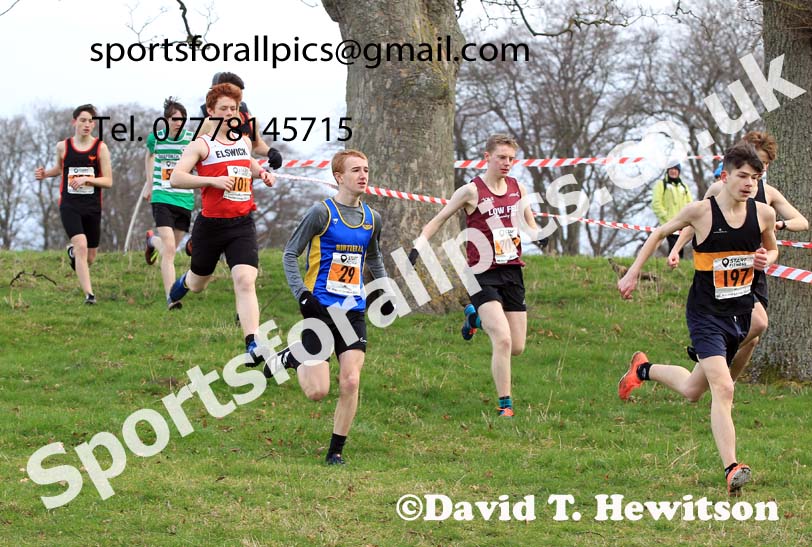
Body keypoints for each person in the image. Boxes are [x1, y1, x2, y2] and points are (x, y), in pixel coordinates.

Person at [618, 142, 778, 496]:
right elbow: (659, 233)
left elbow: (772, 246)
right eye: (742, 176)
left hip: (740, 311)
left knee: (692, 390)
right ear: (725, 176)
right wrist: (631, 274)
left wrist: (766, 257)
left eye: (755, 178)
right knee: (723, 388)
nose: (749, 183)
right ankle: (732, 468)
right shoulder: (701, 212)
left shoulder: (763, 214)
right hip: (706, 315)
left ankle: (642, 369)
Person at [264, 149, 389, 466]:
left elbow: (373, 258)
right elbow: (290, 253)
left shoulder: (372, 218)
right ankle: (292, 355)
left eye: (366, 169)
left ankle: (335, 451)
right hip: (319, 308)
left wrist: (384, 290)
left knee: (350, 381)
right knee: (317, 391)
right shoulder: (321, 213)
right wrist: (302, 295)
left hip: (353, 309)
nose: (363, 175)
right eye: (356, 170)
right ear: (339, 177)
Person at [409, 134, 540, 417]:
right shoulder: (471, 191)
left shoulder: (519, 187)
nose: (507, 163)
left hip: (512, 272)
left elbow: (531, 224)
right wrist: (417, 247)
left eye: (511, 159)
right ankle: (505, 405)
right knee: (502, 339)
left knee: (516, 347)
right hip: (479, 273)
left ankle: (474, 319)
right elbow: (439, 219)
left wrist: (538, 237)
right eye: (501, 157)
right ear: (487, 157)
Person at [668, 131, 808, 381]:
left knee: (753, 339)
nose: (757, 171)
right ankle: (714, 362)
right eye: (755, 161)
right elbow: (695, 220)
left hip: (753, 274)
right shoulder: (718, 188)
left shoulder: (769, 195)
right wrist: (677, 248)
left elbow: (802, 221)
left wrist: (779, 225)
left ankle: (723, 380)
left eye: (763, 165)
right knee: (759, 323)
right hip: (722, 275)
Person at [167, 82, 275, 362]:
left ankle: (253, 343)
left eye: (234, 108)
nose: (230, 113)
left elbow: (249, 164)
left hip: (241, 224)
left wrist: (262, 173)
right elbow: (176, 178)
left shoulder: (242, 141)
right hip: (210, 226)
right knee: (199, 282)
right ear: (211, 112)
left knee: (245, 279)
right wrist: (211, 180)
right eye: (224, 108)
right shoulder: (201, 145)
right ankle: (184, 281)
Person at [34, 104, 113, 305]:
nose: (87, 125)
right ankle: (89, 295)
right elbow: (61, 169)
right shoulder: (63, 146)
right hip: (69, 205)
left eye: (90, 121)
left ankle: (73, 254)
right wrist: (45, 174)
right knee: (81, 245)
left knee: (90, 257)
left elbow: (108, 181)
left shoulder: (100, 148)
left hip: (92, 207)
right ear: (74, 122)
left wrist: (89, 181)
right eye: (83, 120)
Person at [142, 97, 196, 310]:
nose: (178, 123)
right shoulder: (156, 138)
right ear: (166, 120)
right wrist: (149, 184)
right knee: (171, 249)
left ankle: (151, 242)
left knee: (168, 247)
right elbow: (148, 156)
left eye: (181, 120)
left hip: (184, 199)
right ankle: (171, 298)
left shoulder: (191, 140)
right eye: (174, 119)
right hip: (162, 197)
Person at [199, 72, 283, 170]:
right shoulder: (209, 122)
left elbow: (256, 146)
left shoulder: (251, 120)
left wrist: (271, 152)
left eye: (236, 92)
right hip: (216, 180)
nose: (233, 95)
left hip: (245, 181)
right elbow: (194, 151)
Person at [651, 164, 692, 256]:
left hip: (683, 222)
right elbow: (656, 203)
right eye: (671, 169)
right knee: (673, 245)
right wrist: (666, 217)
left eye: (676, 169)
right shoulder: (661, 184)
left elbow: (690, 203)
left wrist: (689, 218)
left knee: (680, 247)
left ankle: (676, 266)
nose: (673, 171)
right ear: (667, 170)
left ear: (679, 171)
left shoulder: (684, 186)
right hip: (668, 222)